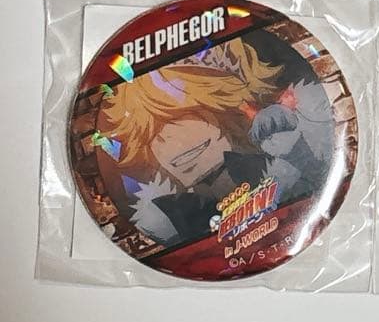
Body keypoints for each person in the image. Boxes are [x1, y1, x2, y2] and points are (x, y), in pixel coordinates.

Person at [100, 38, 333, 246]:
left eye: (183, 118)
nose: (170, 138)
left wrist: (292, 151)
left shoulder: (288, 162)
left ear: (220, 117)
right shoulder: (172, 215)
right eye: (152, 136)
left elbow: (318, 192)